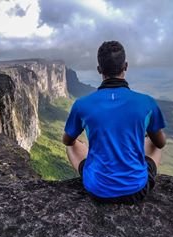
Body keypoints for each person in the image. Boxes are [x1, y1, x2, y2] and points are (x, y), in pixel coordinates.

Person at [62, 41, 166, 204]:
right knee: (151, 142)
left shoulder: (82, 104)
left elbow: (67, 140)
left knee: (73, 144)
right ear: (126, 66)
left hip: (98, 190)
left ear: (99, 70)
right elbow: (160, 143)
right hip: (137, 190)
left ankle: (97, 171)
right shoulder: (147, 103)